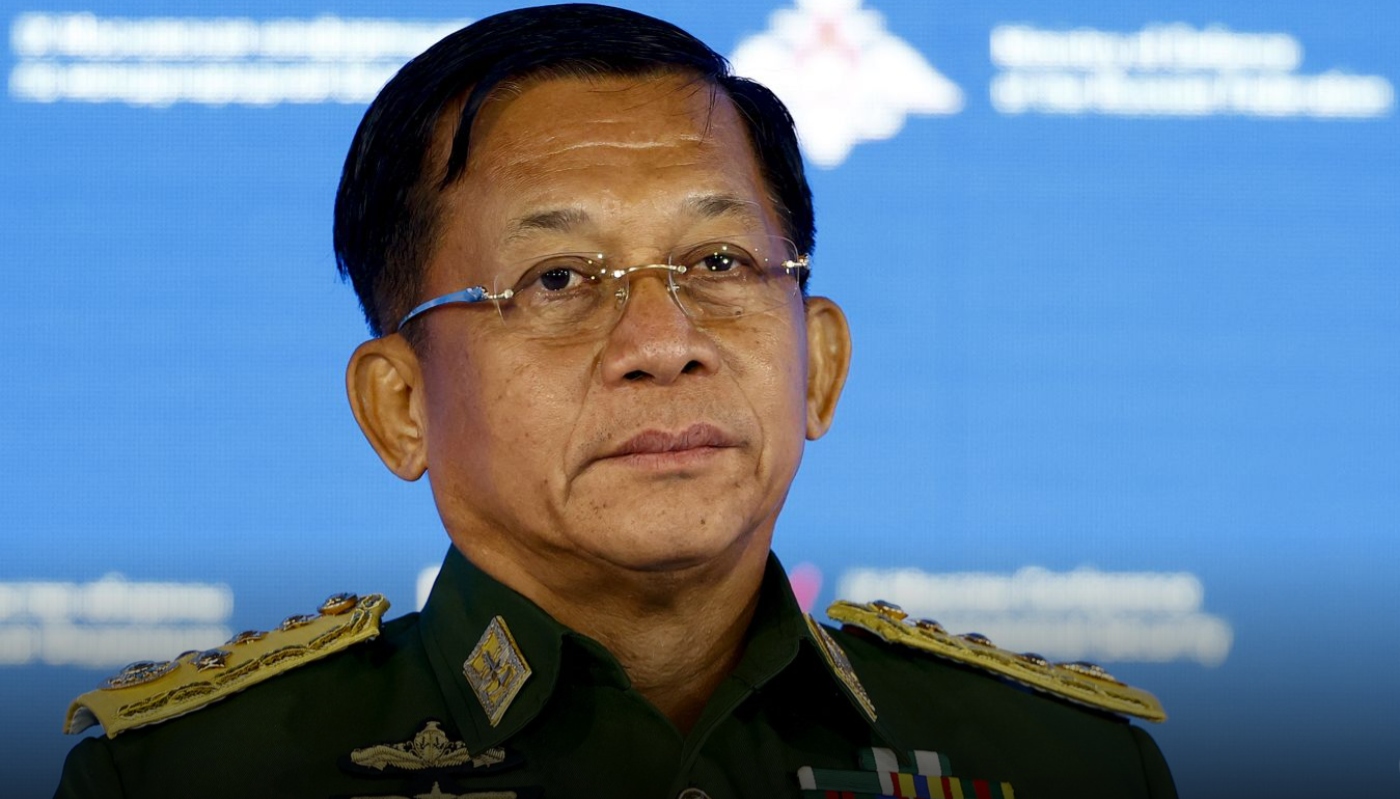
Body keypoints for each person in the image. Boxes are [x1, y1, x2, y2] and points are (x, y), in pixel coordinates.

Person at [53, 5, 1178, 797]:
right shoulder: (184, 774)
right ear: (400, 404)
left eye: (720, 263)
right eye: (557, 281)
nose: (662, 343)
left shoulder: (1065, 765)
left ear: (819, 363)